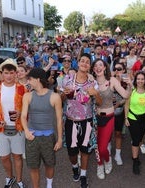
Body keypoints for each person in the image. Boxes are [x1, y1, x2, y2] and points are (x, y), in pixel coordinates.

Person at [61, 53, 102, 188]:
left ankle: (83, 174)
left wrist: (95, 93)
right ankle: (75, 167)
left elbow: (100, 103)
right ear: (78, 63)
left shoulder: (93, 83)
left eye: (87, 62)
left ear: (89, 66)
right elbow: (61, 100)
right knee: (72, 152)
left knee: (85, 150)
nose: (84, 63)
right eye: (82, 61)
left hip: (87, 121)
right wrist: (64, 94)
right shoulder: (67, 79)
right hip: (71, 121)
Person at [0, 59, 26, 188]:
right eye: (6, 73)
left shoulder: (22, 89)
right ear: (2, 74)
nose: (9, 76)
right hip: (0, 129)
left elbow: (28, 105)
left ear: (16, 74)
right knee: (4, 157)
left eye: (12, 73)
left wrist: (20, 112)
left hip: (18, 128)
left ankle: (19, 180)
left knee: (17, 156)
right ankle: (9, 177)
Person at [21, 68, 63, 188]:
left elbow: (59, 120)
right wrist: (26, 131)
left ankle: (49, 185)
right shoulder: (27, 96)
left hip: (48, 137)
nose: (28, 81)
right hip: (32, 137)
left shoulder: (55, 96)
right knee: (33, 166)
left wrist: (60, 139)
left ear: (38, 79)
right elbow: (23, 116)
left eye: (30, 79)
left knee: (49, 164)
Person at [92, 58, 132, 179]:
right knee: (97, 146)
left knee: (103, 147)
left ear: (105, 68)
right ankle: (100, 165)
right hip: (94, 118)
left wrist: (130, 85)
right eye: (95, 66)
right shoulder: (91, 81)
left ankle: (107, 160)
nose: (98, 67)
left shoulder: (112, 80)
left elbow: (125, 95)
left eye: (101, 65)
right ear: (93, 69)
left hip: (108, 117)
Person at [124, 71, 145, 175]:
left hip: (144, 118)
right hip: (132, 118)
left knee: (140, 138)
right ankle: (135, 160)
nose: (140, 81)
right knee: (136, 140)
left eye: (142, 79)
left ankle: (135, 151)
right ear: (135, 80)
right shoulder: (132, 90)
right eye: (138, 79)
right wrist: (126, 118)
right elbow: (126, 105)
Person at [112, 61, 128, 166]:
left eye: (120, 69)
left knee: (118, 133)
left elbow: (127, 97)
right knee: (107, 133)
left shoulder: (126, 82)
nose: (117, 71)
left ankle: (118, 154)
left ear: (124, 70)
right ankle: (107, 150)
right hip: (108, 110)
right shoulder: (109, 81)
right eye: (115, 69)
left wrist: (118, 103)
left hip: (120, 110)